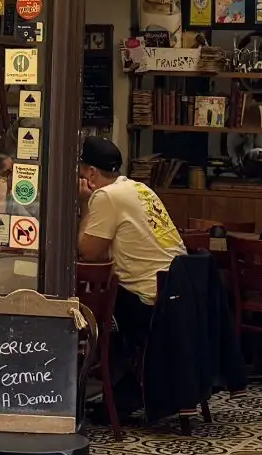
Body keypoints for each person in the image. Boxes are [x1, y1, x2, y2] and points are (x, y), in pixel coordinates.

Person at [75, 134, 185, 352]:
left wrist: (85, 202)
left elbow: (89, 253)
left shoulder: (106, 195)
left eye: (80, 172)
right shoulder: (139, 188)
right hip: (177, 290)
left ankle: (99, 371)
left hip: (147, 300)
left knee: (83, 309)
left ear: (91, 173)